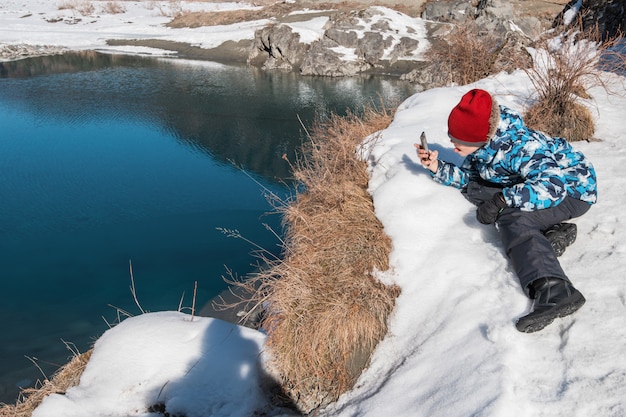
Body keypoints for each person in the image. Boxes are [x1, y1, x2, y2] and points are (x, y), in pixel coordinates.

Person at [415, 89, 597, 333]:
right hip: (547, 187)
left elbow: (552, 187)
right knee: (477, 191)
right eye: (452, 138)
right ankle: (551, 232)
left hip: (574, 191)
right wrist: (436, 166)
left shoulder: (520, 147)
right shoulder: (483, 146)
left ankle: (555, 290)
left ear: (477, 138)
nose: (452, 144)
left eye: (458, 140)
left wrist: (503, 199)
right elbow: (470, 180)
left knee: (514, 217)